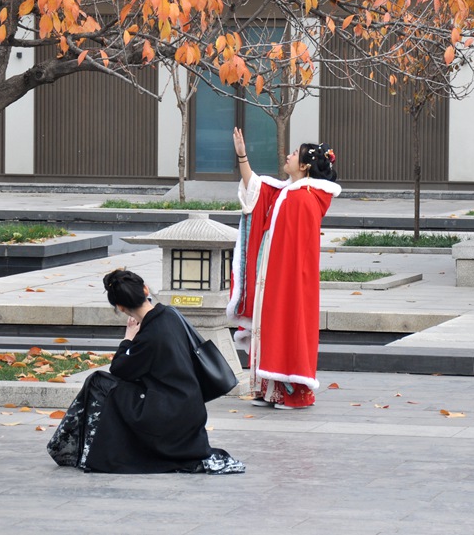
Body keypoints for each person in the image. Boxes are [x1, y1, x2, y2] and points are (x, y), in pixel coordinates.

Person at [47, 269, 245, 474]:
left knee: (97, 381)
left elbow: (119, 370)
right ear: (145, 289)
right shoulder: (171, 314)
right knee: (116, 387)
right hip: (190, 411)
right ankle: (86, 448)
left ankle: (85, 449)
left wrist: (128, 338)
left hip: (168, 415)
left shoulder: (148, 336)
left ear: (121, 308)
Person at [226, 128, 340, 410]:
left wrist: (281, 278)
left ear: (304, 165)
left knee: (287, 327)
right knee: (271, 328)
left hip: (288, 279)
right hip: (273, 275)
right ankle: (270, 390)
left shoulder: (303, 198)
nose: (287, 156)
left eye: (293, 153)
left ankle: (291, 392)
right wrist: (242, 154)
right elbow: (256, 188)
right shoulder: (289, 192)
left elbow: (297, 250)